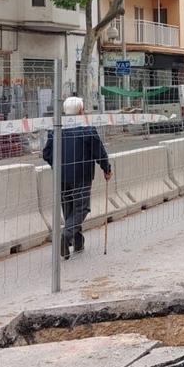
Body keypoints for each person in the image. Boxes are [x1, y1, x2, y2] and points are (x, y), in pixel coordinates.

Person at [42, 96, 111, 259]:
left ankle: (77, 242)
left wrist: (57, 166)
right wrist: (106, 168)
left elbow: (46, 153)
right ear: (81, 111)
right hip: (82, 174)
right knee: (81, 208)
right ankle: (66, 236)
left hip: (62, 175)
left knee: (69, 208)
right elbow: (99, 152)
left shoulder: (56, 129)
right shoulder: (87, 129)